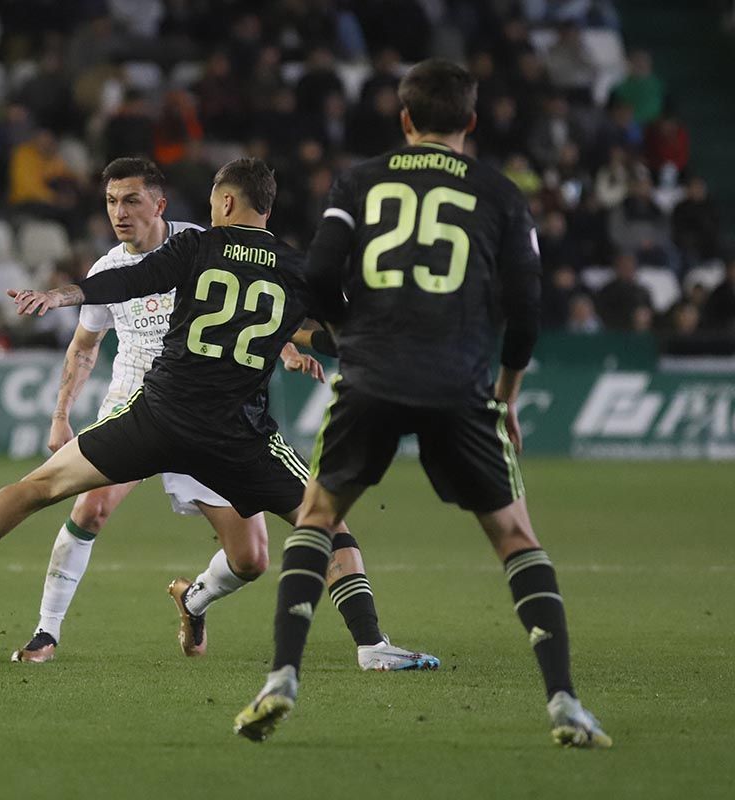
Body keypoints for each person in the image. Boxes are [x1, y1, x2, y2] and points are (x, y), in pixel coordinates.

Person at [0, 159, 437, 675]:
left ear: (228, 204)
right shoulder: (299, 270)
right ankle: (371, 646)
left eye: (215, 201)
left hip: (160, 415)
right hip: (237, 433)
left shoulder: (197, 248)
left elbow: (129, 280)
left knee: (41, 487)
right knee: (326, 523)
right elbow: (342, 335)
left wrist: (68, 294)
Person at [233, 60, 611, 749]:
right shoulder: (502, 195)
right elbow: (526, 312)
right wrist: (506, 398)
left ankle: (281, 678)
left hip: (371, 378)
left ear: (404, 120)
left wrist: (352, 333)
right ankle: (563, 703)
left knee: (317, 519)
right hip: (460, 384)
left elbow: (317, 275)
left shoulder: (360, 180)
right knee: (516, 539)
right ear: (470, 122)